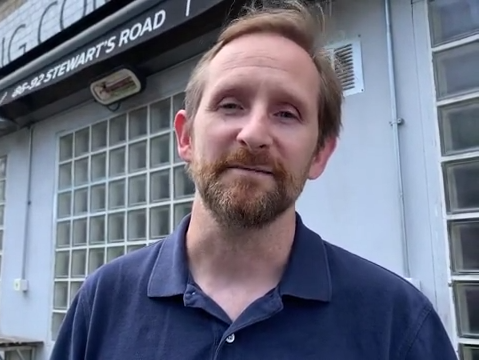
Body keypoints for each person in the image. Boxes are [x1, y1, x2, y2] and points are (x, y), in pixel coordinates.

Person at [50, 1, 458, 359]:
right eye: (230, 105)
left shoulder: (398, 323)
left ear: (320, 153)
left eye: (286, 113)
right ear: (186, 137)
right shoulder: (103, 302)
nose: (255, 133)